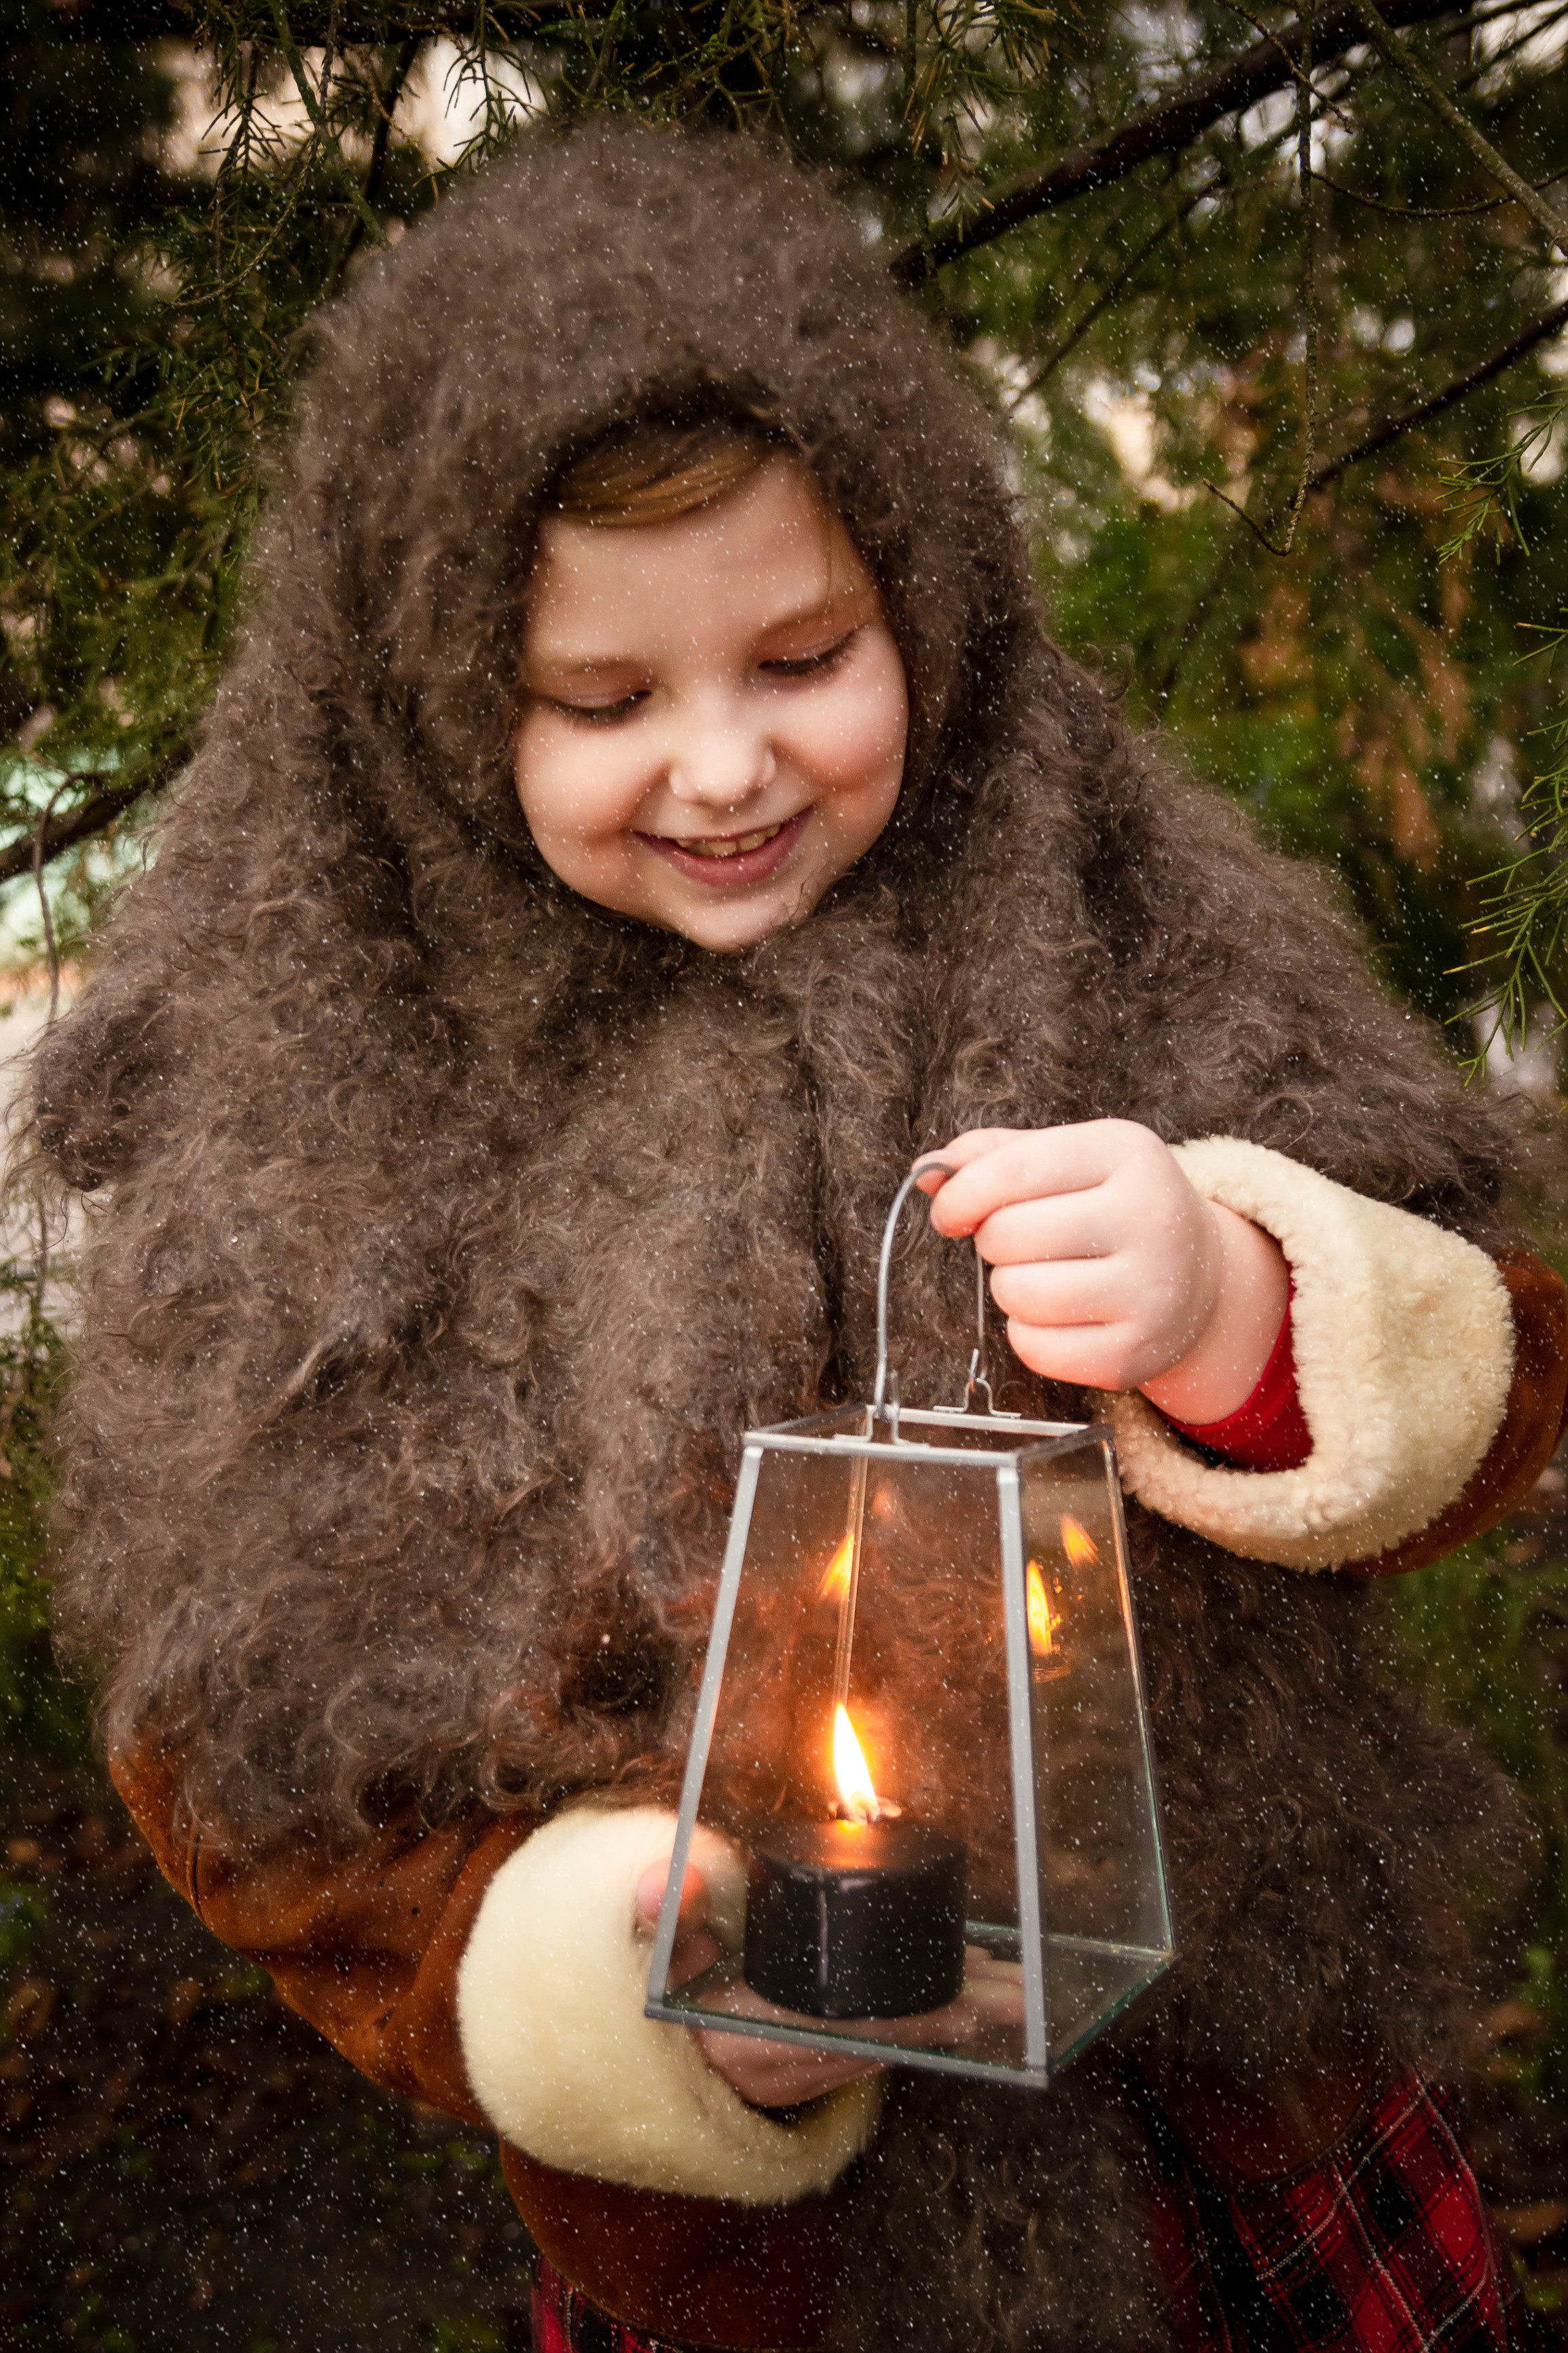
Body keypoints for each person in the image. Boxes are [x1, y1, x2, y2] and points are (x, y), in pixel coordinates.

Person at [32, 120, 1566, 2353]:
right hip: (759, 2256)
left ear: (918, 592)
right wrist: (598, 1980)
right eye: (608, 701)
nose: (728, 764)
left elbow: (1496, 1369)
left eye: (807, 654)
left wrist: (1240, 1301)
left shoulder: (1105, 897)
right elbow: (239, 1743)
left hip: (1245, 2115)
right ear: (446, 697)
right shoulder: (321, 1095)